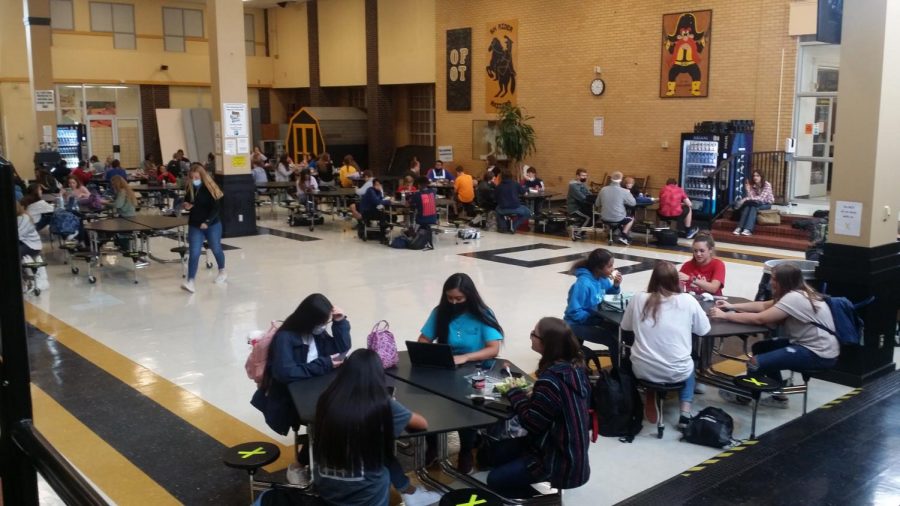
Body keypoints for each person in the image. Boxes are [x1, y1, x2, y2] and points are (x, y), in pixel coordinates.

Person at [312, 349, 442, 506]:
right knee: (380, 450)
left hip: (326, 487)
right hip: (367, 493)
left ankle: (409, 490)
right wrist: (392, 403)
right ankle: (411, 493)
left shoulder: (326, 397)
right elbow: (422, 423)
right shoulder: (382, 403)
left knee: (377, 447)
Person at [250, 294, 352, 483]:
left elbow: (341, 348)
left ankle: (324, 455)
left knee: (342, 415)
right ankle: (300, 464)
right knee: (332, 421)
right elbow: (285, 373)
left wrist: (340, 323)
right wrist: (325, 364)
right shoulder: (285, 338)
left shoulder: (316, 333)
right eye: (322, 322)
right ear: (309, 320)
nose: (323, 327)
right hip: (291, 399)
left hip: (317, 389)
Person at [485, 317, 591, 499]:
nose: (531, 337)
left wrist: (514, 392)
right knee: (494, 454)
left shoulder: (550, 381)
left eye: (534, 334)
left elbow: (531, 423)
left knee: (494, 480)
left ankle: (541, 502)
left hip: (556, 458)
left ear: (546, 344)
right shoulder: (575, 369)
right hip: (573, 452)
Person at [709, 263, 839, 408]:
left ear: (784, 282)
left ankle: (745, 395)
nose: (771, 282)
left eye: (774, 279)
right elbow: (763, 305)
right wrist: (731, 306)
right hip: (813, 347)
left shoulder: (794, 298)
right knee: (761, 347)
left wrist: (725, 316)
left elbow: (760, 318)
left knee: (755, 362)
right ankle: (778, 397)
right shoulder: (799, 293)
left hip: (817, 354)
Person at [418, 273, 504, 472]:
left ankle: (466, 451)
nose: (454, 302)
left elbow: (493, 349)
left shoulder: (483, 314)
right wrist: (432, 354)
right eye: (450, 298)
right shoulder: (440, 312)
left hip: (475, 369)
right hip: (446, 367)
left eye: (459, 299)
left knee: (466, 409)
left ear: (469, 296)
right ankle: (432, 445)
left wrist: (465, 357)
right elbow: (423, 340)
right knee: (427, 400)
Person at [622, 261, 711, 428]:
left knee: (650, 353)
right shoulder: (688, 301)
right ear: (676, 280)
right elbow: (704, 330)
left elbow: (625, 327)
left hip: (643, 369)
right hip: (677, 370)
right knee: (690, 361)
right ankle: (685, 411)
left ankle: (650, 394)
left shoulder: (638, 298)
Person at [563, 248, 622, 359]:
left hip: (595, 319)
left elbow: (609, 295)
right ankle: (617, 374)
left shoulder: (602, 278)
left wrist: (615, 286)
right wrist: (596, 315)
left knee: (620, 331)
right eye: (609, 266)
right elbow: (573, 313)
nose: (612, 269)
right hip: (576, 324)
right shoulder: (583, 285)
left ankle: (621, 364)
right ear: (598, 268)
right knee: (613, 340)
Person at [181, 164, 226, 293]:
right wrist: (186, 205)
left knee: (216, 248)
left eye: (196, 177)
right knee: (194, 252)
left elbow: (216, 208)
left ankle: (222, 271)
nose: (194, 179)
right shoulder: (190, 188)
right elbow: (187, 202)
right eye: (192, 177)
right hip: (195, 224)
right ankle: (190, 281)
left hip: (212, 224)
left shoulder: (211, 188)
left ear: (202, 176)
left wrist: (207, 221)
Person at [596, 171, 636, 246]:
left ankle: (613, 234)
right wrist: (628, 194)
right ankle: (623, 235)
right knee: (631, 218)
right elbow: (633, 203)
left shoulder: (603, 189)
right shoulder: (624, 191)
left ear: (611, 179)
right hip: (618, 218)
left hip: (604, 218)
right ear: (621, 180)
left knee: (620, 217)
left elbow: (597, 204)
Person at [733, 170, 775, 236]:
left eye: (757, 176)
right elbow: (751, 197)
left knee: (753, 207)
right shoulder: (753, 185)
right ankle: (740, 228)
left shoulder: (767, 185)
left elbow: (761, 198)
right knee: (749, 206)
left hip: (766, 204)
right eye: (754, 176)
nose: (755, 177)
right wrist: (748, 190)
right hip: (755, 203)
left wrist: (745, 199)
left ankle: (747, 229)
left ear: (761, 177)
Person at [357, 178, 391, 243]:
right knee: (382, 215)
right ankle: (382, 236)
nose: (378, 186)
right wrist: (388, 201)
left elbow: (381, 200)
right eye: (376, 185)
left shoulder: (378, 192)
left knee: (387, 215)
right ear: (373, 185)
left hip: (372, 210)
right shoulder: (370, 191)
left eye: (379, 185)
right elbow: (376, 201)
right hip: (366, 212)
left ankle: (383, 231)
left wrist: (386, 199)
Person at [566, 169, 593, 237]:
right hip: (574, 208)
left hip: (581, 206)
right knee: (589, 217)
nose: (585, 177)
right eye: (583, 175)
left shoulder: (582, 184)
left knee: (595, 215)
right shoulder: (573, 186)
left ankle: (581, 231)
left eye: (586, 175)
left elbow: (589, 193)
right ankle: (578, 233)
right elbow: (582, 197)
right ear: (577, 176)